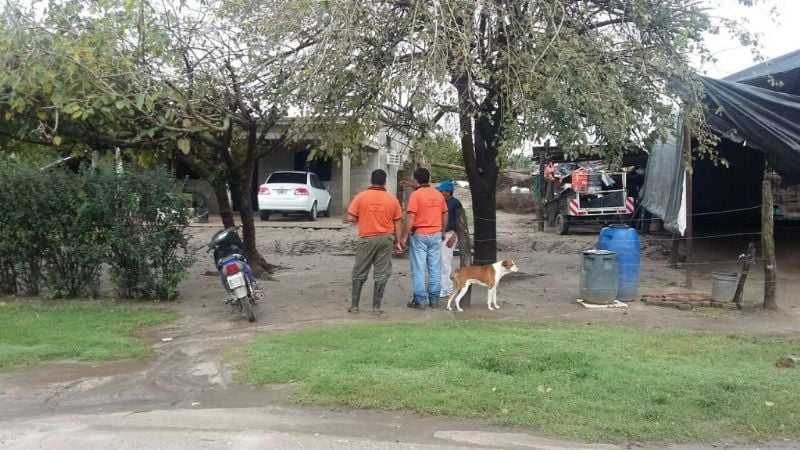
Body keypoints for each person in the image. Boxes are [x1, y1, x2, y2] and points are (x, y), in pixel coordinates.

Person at [346, 169, 403, 314]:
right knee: (382, 273)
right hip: (386, 239)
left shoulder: (361, 197)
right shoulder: (392, 200)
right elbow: (397, 223)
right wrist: (398, 243)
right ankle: (376, 308)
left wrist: (365, 217)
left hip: (367, 239)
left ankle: (354, 306)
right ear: (385, 182)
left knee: (359, 272)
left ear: (371, 181)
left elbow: (351, 218)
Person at [401, 167, 448, 309]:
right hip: (436, 234)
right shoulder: (438, 195)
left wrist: (403, 236)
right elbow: (445, 214)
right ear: (428, 179)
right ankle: (434, 300)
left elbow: (410, 216)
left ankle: (420, 300)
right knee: (434, 268)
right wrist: (443, 231)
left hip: (420, 234)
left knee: (418, 268)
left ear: (416, 180)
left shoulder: (416, 195)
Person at [436, 180, 462, 298]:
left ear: (448, 192)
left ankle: (446, 288)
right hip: (440, 234)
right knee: (439, 261)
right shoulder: (440, 202)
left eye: (442, 191)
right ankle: (445, 286)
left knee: (445, 261)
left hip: (450, 234)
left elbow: (460, 222)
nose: (440, 192)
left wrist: (454, 236)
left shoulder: (455, 203)